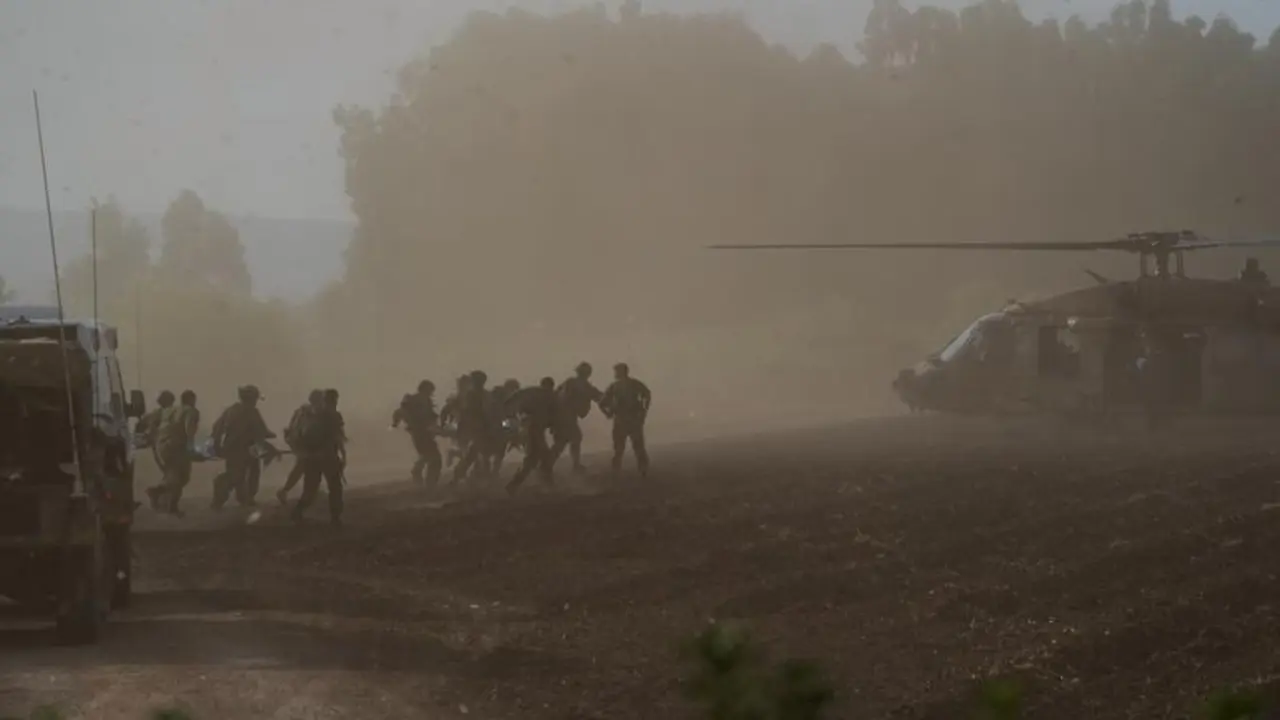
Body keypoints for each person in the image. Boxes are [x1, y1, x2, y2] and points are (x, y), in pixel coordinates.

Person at [210, 385, 275, 510]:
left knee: (237, 474)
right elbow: (261, 430)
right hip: (247, 449)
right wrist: (270, 435)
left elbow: (217, 428)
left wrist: (217, 445)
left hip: (231, 449)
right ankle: (237, 497)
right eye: (255, 398)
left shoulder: (230, 410)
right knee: (249, 474)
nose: (256, 401)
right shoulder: (252, 411)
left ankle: (242, 498)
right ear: (251, 399)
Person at [292, 388, 346, 526]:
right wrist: (343, 456)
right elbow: (338, 437)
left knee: (310, 488)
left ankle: (298, 511)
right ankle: (335, 518)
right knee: (335, 488)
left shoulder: (307, 415)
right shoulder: (333, 415)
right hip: (327, 457)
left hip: (311, 458)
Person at [504, 377, 559, 494]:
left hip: (530, 429)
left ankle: (515, 485)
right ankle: (547, 484)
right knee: (541, 458)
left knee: (533, 460)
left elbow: (511, 400)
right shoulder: (548, 396)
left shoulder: (533, 392)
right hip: (532, 429)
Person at [150, 390, 200, 516]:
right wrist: (191, 450)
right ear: (192, 400)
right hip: (176, 446)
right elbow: (189, 430)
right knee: (181, 477)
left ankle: (167, 503)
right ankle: (161, 496)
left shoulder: (170, 410)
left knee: (173, 475)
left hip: (162, 445)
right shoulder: (191, 411)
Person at [550, 362, 604, 475]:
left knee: (565, 441)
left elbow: (597, 395)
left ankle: (551, 465)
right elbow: (597, 396)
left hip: (564, 416)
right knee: (570, 440)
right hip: (565, 417)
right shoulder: (578, 384)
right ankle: (570, 465)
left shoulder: (573, 383)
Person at [600, 362, 651, 478]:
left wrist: (608, 413)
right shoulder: (631, 384)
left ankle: (619, 471)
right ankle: (642, 471)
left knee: (621, 448)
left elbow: (602, 403)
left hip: (624, 420)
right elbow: (647, 395)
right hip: (629, 420)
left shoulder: (616, 386)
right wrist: (643, 411)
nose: (615, 374)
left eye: (616, 371)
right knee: (634, 447)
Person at [392, 380, 443, 486]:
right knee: (434, 458)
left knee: (428, 456)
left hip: (422, 432)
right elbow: (400, 412)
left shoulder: (420, 400)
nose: (431, 393)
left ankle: (421, 477)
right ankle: (429, 483)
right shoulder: (415, 400)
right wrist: (395, 423)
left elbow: (399, 413)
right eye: (430, 391)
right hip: (420, 433)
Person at [277, 389, 323, 505]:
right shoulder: (312, 412)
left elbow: (292, 428)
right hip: (305, 445)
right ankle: (290, 491)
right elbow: (310, 430)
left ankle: (287, 490)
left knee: (301, 467)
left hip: (299, 443)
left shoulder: (300, 411)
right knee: (305, 468)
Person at [452, 370, 492, 482]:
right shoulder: (471, 395)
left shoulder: (481, 394)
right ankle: (461, 477)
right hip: (475, 428)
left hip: (481, 428)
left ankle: (462, 476)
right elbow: (467, 412)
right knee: (476, 454)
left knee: (476, 454)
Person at [139, 390, 175, 508]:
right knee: (173, 474)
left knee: (170, 473)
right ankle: (157, 495)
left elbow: (141, 427)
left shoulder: (154, 414)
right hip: (167, 448)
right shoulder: (170, 414)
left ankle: (161, 501)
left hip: (158, 448)